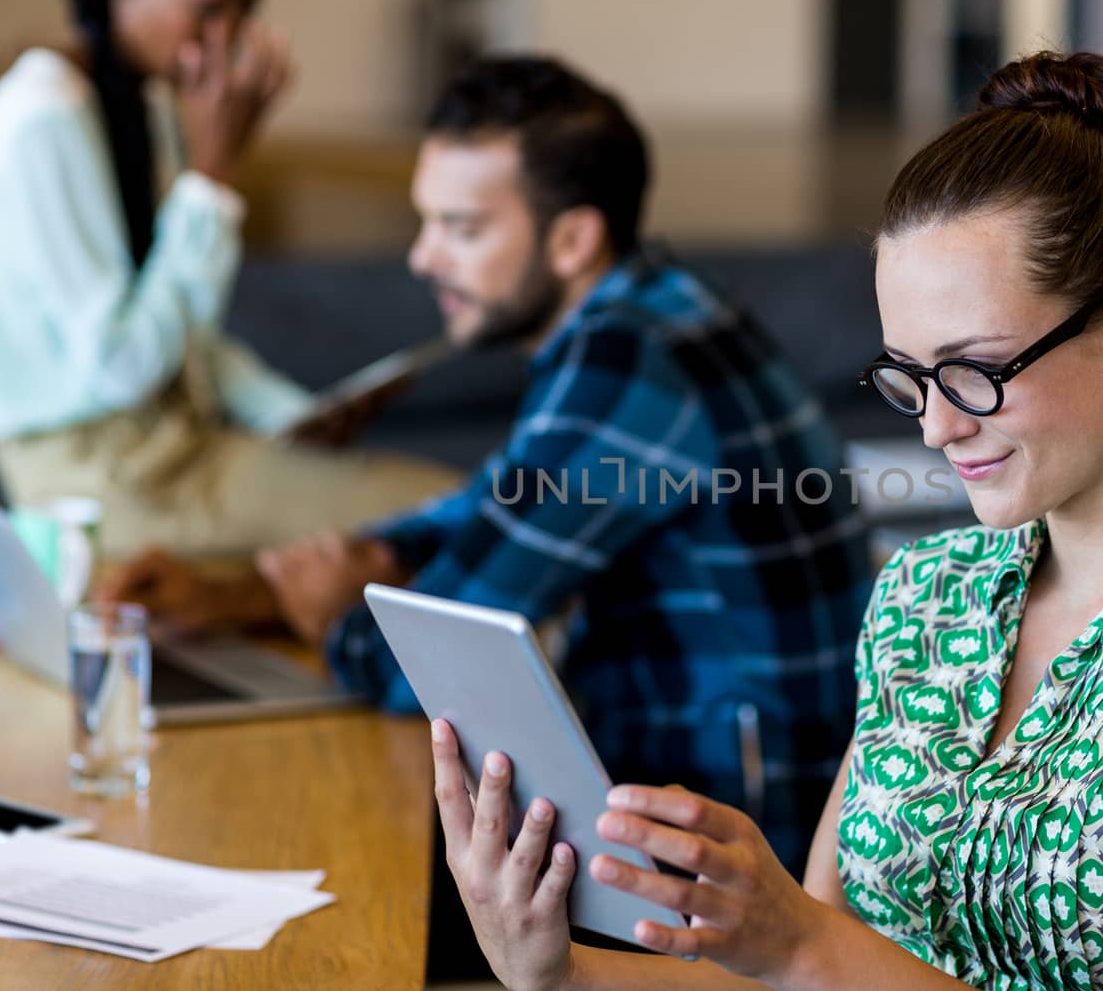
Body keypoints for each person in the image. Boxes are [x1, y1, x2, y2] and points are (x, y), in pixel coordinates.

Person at [426, 51, 1103, 991]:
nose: (934, 426)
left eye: (973, 371)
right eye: (908, 378)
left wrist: (798, 942)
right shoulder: (931, 591)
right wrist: (557, 975)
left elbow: (815, 961)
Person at [104, 55, 873, 876]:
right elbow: (495, 506)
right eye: (426, 221)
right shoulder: (658, 308)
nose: (424, 258)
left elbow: (430, 670)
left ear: (573, 237)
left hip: (724, 867)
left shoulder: (629, 362)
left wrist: (338, 618)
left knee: (283, 847)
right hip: (691, 806)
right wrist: (249, 591)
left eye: (462, 229)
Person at [0, 0, 458, 557]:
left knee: (438, 502)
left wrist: (289, 415)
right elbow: (123, 367)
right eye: (211, 5)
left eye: (247, 7)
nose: (229, 35)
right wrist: (213, 174)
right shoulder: (40, 122)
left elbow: (182, 328)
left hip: (177, 453)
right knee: (439, 513)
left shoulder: (136, 102)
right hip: (107, 487)